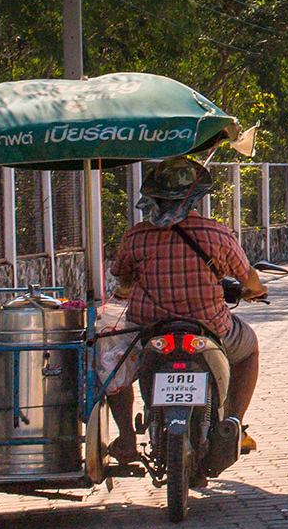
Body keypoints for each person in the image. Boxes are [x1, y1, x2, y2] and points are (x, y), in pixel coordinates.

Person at [106, 155, 264, 465]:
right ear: (194, 198)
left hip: (149, 331)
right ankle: (233, 423)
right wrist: (255, 291)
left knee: (109, 364)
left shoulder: (136, 235)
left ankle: (126, 437)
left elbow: (122, 276)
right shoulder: (217, 234)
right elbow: (249, 277)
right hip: (209, 328)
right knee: (249, 350)